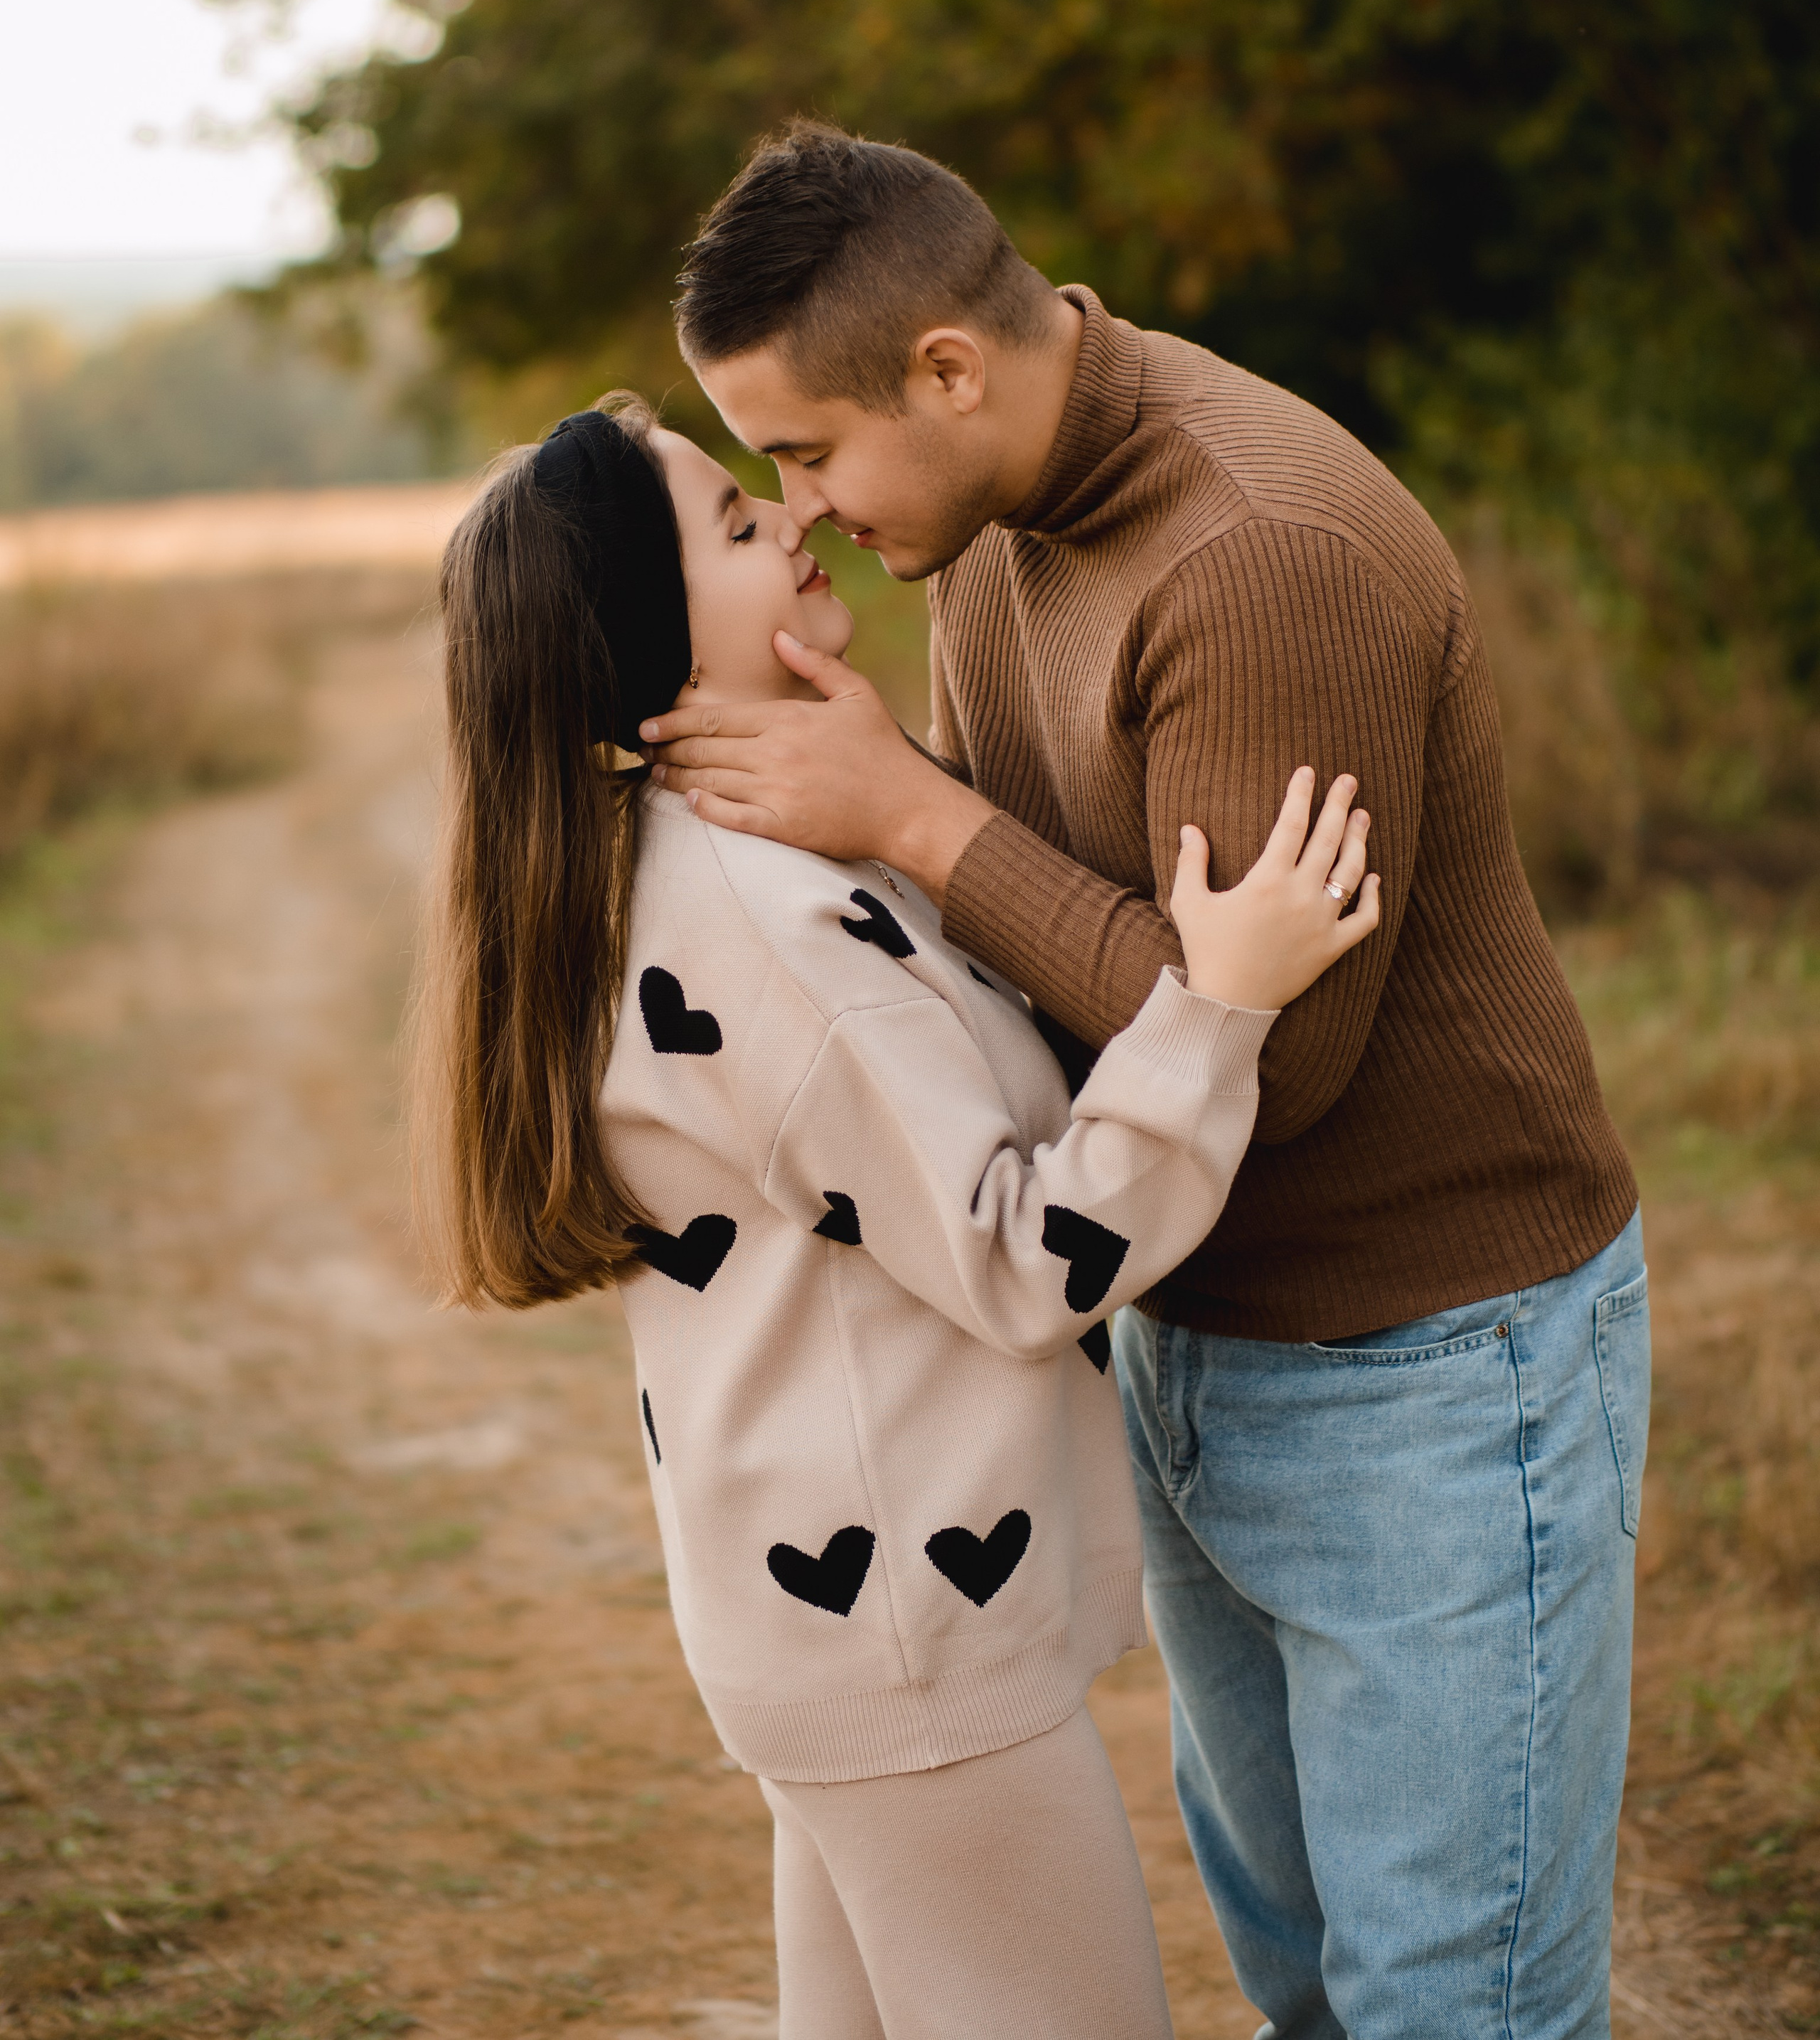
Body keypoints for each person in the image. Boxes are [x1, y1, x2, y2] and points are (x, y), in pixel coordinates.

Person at [643, 123, 1652, 2040]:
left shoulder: (1255, 557)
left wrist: (919, 815)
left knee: (1455, 2006)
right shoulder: (994, 508)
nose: (812, 512)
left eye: (808, 452)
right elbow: (1060, 937)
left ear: (948, 367)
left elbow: (1282, 1044)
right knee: (1306, 1985)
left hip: (1425, 1363)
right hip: (1189, 1327)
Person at [412, 395, 1381, 2040]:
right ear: (648, 641)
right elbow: (1023, 1257)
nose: (789, 524)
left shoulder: (705, 861)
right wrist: (1218, 1002)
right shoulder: (761, 919)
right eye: (732, 525)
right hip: (909, 1640)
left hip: (846, 1628)